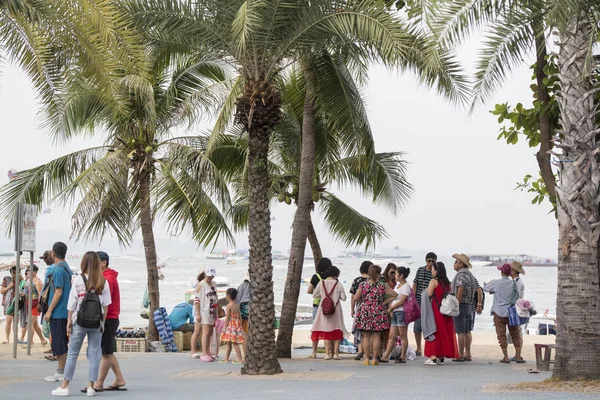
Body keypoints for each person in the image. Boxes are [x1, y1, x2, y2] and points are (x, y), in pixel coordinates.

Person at [51, 251, 111, 397]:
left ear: (83, 263)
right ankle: (91, 386)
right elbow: (106, 306)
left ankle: (65, 386)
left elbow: (72, 303)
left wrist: (69, 321)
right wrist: (102, 322)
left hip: (80, 321)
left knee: (72, 353)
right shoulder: (103, 281)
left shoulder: (78, 280)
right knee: (94, 354)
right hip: (96, 323)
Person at [93, 251, 126, 392]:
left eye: (95, 262)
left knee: (105, 353)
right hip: (111, 317)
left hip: (109, 318)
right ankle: (119, 379)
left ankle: (98, 383)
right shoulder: (107, 277)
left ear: (103, 262)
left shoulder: (108, 279)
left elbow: (104, 301)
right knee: (107, 351)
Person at [353, 265, 397, 365]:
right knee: (377, 335)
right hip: (378, 310)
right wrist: (385, 302)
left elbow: (356, 298)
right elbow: (395, 295)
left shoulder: (363, 285)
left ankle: (366, 359)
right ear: (378, 274)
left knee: (366, 335)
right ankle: (374, 359)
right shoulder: (382, 285)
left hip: (365, 310)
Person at [44, 242, 73, 383]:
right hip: (65, 311)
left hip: (58, 312)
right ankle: (63, 370)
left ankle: (61, 371)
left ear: (53, 254)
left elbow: (58, 292)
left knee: (59, 342)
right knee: (61, 342)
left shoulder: (58, 270)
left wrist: (49, 311)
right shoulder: (67, 268)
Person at [483, 263, 524, 364]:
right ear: (510, 272)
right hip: (511, 312)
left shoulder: (496, 283)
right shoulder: (514, 283)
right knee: (515, 334)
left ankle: (506, 357)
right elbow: (518, 296)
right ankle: (518, 356)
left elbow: (485, 288)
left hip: (498, 311)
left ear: (501, 272)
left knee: (501, 335)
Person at [424, 262, 459, 365]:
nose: (431, 271)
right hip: (445, 311)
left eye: (433, 270)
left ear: (437, 271)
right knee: (444, 332)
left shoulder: (433, 281)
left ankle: (433, 356)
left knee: (434, 332)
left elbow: (429, 293)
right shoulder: (447, 282)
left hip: (436, 310)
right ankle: (441, 356)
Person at [310, 266, 347, 360]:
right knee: (337, 329)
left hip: (323, 310)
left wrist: (323, 295)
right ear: (336, 274)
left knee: (326, 330)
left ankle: (327, 354)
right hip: (336, 310)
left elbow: (314, 295)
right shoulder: (338, 284)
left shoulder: (321, 283)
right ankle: (336, 354)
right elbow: (344, 298)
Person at [381, 266, 411, 363]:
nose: (395, 276)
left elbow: (401, 301)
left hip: (401, 312)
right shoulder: (397, 286)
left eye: (396, 274)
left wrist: (391, 307)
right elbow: (393, 297)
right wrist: (390, 307)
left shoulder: (406, 287)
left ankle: (403, 356)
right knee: (391, 335)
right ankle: (386, 355)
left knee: (402, 335)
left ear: (401, 275)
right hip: (395, 311)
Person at [451, 253, 477, 362]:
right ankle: (468, 353)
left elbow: (460, 290)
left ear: (461, 264)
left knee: (460, 332)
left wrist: (456, 303)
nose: (454, 264)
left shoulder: (461, 276)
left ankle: (460, 354)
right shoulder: (470, 275)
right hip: (468, 305)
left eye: (456, 262)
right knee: (466, 331)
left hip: (461, 305)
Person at [307, 257, 332, 359]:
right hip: (329, 307)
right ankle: (328, 353)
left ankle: (314, 352)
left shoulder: (315, 277)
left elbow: (309, 291)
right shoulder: (332, 278)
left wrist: (318, 294)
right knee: (328, 328)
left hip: (317, 305)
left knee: (315, 328)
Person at [412, 252, 436, 356]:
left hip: (430, 304)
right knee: (417, 327)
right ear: (426, 260)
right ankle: (418, 347)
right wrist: (412, 300)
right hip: (418, 302)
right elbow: (415, 284)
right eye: (429, 261)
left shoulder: (435, 272)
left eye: (432, 261)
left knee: (429, 327)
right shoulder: (420, 270)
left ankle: (428, 347)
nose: (430, 263)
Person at [192, 267, 218, 362]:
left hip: (211, 310)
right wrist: (198, 314)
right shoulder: (201, 285)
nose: (210, 277)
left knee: (210, 332)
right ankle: (204, 353)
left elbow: (215, 298)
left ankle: (208, 352)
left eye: (212, 275)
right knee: (205, 332)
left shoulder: (214, 284)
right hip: (203, 310)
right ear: (205, 274)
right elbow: (197, 300)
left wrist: (216, 311)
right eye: (209, 275)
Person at [350, 260, 371, 361]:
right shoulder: (374, 281)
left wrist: (352, 309)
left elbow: (353, 296)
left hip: (359, 307)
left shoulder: (357, 280)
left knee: (359, 329)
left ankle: (360, 351)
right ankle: (369, 351)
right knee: (370, 331)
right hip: (372, 308)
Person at [22, 265, 46, 345]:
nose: (29, 272)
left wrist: (39, 305)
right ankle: (43, 340)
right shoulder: (29, 280)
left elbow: (40, 294)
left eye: (31, 270)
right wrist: (23, 293)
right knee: (35, 325)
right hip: (29, 303)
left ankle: (30, 341)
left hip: (35, 304)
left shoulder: (37, 281)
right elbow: (27, 291)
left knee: (29, 323)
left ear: (35, 271)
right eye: (28, 270)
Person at [220, 288, 245, 363]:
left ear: (228, 296)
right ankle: (226, 358)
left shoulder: (228, 306)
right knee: (229, 342)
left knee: (234, 343)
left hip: (231, 326)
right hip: (237, 325)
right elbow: (240, 317)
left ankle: (240, 358)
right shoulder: (237, 305)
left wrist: (225, 327)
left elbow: (227, 318)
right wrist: (239, 325)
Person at [236, 271, 251, 359]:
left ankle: (245, 355)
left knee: (245, 335)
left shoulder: (241, 286)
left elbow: (237, 301)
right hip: (253, 315)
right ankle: (247, 355)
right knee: (248, 335)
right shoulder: (255, 286)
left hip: (244, 316)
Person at [1, 266, 18, 344]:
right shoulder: (6, 279)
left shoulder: (20, 280)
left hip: (18, 303)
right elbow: (2, 291)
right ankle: (7, 338)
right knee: (8, 321)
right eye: (13, 272)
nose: (14, 274)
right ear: (10, 272)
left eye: (16, 272)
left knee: (16, 322)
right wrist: (9, 286)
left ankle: (16, 338)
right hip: (8, 303)